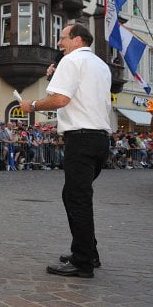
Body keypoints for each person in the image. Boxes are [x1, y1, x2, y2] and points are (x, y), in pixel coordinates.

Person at [20, 23, 111, 278]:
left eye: (62, 38)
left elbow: (61, 100)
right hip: (99, 138)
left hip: (81, 138)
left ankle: (83, 261)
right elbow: (81, 95)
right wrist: (53, 76)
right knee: (74, 196)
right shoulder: (100, 65)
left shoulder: (71, 61)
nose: (59, 43)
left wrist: (33, 105)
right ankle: (87, 251)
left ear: (77, 39)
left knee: (77, 198)